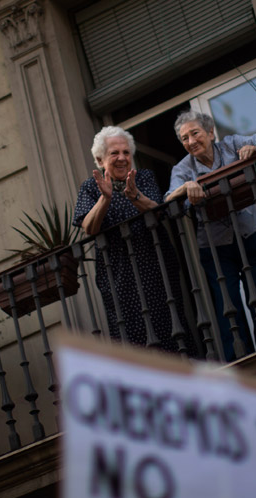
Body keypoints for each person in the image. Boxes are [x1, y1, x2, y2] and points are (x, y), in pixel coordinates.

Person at [166, 110, 256, 363]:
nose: (190, 141)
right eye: (184, 138)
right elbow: (168, 198)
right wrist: (187, 186)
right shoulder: (182, 168)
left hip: (251, 231)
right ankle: (240, 360)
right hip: (214, 245)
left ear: (210, 133)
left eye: (195, 133)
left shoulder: (230, 144)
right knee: (227, 306)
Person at [74, 126, 192, 354]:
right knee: (132, 338)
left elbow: (159, 211)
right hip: (118, 275)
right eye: (114, 153)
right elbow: (89, 227)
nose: (122, 158)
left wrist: (135, 196)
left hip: (156, 266)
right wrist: (105, 199)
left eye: (126, 153)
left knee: (171, 326)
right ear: (100, 159)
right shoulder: (91, 187)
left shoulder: (143, 177)